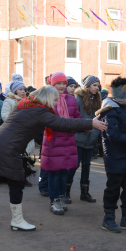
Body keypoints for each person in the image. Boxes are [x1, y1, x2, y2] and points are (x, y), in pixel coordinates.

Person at [0, 86, 107, 231]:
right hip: (8, 148)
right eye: (55, 99)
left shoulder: (27, 104)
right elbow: (61, 123)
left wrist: (83, 126)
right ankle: (16, 221)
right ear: (48, 98)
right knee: (17, 183)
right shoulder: (39, 111)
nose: (56, 103)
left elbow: (59, 124)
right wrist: (90, 123)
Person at [98, 76, 126, 233]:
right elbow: (113, 136)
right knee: (113, 189)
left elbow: (125, 130)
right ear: (120, 95)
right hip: (115, 157)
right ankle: (108, 219)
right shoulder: (110, 111)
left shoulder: (121, 108)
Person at [41, 72, 81, 215]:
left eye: (64, 83)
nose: (62, 86)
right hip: (53, 140)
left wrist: (77, 126)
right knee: (54, 172)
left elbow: (77, 117)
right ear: (53, 85)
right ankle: (54, 201)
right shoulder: (47, 99)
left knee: (65, 171)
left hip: (68, 140)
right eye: (59, 83)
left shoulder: (72, 99)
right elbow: (45, 119)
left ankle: (61, 197)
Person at [65, 75, 101, 204]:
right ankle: (66, 192)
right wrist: (83, 127)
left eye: (98, 86)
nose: (97, 88)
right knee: (73, 166)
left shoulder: (97, 100)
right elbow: (74, 120)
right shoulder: (78, 100)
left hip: (91, 140)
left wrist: (96, 133)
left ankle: (84, 193)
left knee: (87, 166)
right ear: (87, 86)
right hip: (78, 139)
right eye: (94, 85)